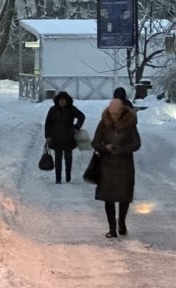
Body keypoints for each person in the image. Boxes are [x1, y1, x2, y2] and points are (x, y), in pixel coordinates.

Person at [92, 97, 141, 238]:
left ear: (121, 111)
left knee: (124, 197)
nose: (114, 116)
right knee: (109, 198)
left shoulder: (130, 125)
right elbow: (95, 142)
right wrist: (105, 147)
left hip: (125, 165)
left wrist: (122, 149)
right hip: (106, 165)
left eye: (116, 114)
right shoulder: (103, 124)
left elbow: (136, 144)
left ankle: (122, 222)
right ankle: (112, 229)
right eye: (112, 113)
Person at [44, 90, 86, 183]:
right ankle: (58, 179)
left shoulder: (71, 109)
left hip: (69, 138)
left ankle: (68, 177)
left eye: (64, 100)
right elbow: (47, 123)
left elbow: (81, 116)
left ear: (67, 101)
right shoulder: (53, 110)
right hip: (56, 138)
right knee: (58, 158)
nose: (62, 102)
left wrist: (77, 126)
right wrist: (47, 136)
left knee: (68, 158)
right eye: (60, 100)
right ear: (57, 101)